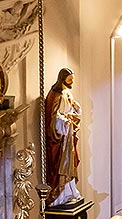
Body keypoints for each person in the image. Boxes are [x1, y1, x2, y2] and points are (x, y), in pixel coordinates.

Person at [45, 68, 81, 205]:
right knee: (62, 166)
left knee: (71, 164)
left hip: (68, 136)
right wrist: (65, 121)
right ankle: (60, 195)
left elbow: (71, 109)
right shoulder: (55, 95)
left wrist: (76, 110)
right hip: (61, 137)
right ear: (63, 79)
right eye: (70, 79)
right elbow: (53, 117)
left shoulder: (67, 92)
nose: (72, 81)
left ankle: (70, 191)